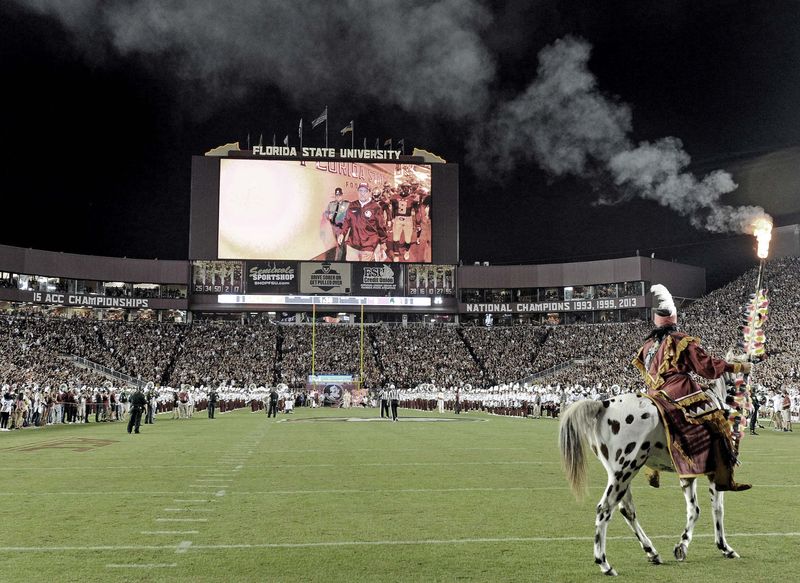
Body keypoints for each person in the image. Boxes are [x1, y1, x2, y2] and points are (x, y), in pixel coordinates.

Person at [632, 284, 751, 492]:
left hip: (654, 393)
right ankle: (724, 479)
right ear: (674, 320)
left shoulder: (648, 345)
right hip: (679, 392)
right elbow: (706, 367)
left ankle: (653, 469)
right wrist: (737, 366)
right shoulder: (679, 340)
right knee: (719, 423)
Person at [337, 182, 388, 261]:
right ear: (358, 192)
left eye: (365, 191)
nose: (362, 193)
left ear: (369, 193)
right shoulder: (352, 205)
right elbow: (347, 221)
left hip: (368, 245)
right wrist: (342, 233)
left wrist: (383, 242)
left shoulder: (375, 207)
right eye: (360, 191)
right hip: (352, 244)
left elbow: (380, 226)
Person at [324, 187, 349, 260]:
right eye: (337, 195)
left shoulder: (347, 204)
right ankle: (344, 257)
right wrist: (328, 216)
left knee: (339, 245)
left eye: (339, 195)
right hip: (334, 227)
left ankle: (338, 261)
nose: (338, 197)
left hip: (342, 227)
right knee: (341, 243)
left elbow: (350, 216)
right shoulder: (331, 204)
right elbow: (326, 213)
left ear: (342, 195)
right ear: (335, 195)